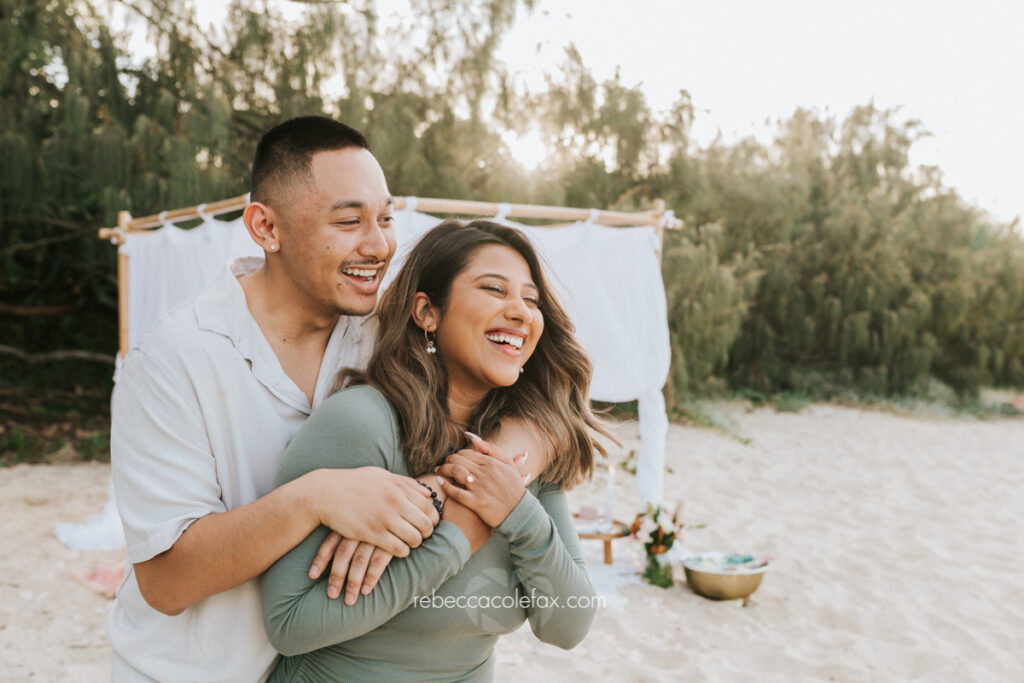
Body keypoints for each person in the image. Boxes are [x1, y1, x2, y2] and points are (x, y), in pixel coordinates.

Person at [107, 117, 544, 682]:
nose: (380, 244)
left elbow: (550, 392)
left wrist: (465, 477)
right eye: (349, 221)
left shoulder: (389, 332)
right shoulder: (172, 359)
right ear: (266, 227)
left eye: (385, 218)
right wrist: (315, 498)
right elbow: (165, 582)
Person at [261, 220, 613, 681]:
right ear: (426, 312)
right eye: (494, 289)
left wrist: (516, 513)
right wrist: (455, 537)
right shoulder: (363, 424)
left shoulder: (524, 453)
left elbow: (568, 625)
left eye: (531, 299)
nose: (521, 312)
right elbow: (288, 624)